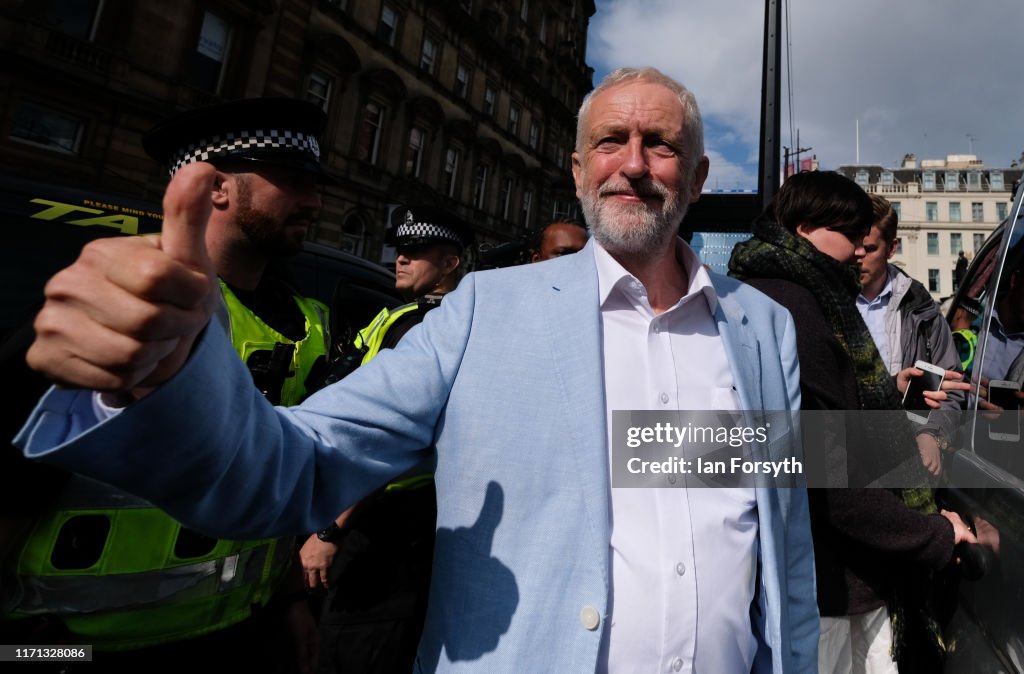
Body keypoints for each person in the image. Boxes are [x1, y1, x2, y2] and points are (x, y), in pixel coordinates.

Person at [16, 67, 817, 673]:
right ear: (578, 171)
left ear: (700, 178)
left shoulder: (761, 325)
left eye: (662, 145)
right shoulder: (483, 312)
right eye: (611, 141)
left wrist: (933, 447)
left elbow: (774, 530)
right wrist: (169, 377)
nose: (633, 164)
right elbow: (294, 469)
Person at [3, 98, 332, 673]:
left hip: (236, 635)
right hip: (69, 648)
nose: (315, 201)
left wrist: (288, 603)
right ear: (216, 188)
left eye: (315, 182)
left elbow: (275, 481)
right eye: (292, 180)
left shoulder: (306, 323)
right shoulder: (126, 309)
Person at [728, 171, 976, 674]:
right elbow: (827, 477)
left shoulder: (775, 295)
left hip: (827, 572)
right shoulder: (797, 305)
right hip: (831, 583)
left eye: (868, 242)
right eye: (851, 238)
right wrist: (933, 535)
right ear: (804, 230)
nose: (857, 254)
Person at [299, 205, 472, 674]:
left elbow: (391, 441)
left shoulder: (433, 328)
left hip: (381, 520)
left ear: (451, 263)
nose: (400, 259)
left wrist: (332, 528)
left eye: (416, 253)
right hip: (363, 505)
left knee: (355, 648)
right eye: (400, 251)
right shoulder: (407, 314)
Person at [856, 193, 965, 476]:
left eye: (869, 248)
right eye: (855, 246)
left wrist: (932, 435)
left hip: (906, 462)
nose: (859, 257)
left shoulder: (922, 308)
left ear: (892, 248)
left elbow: (948, 392)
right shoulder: (826, 299)